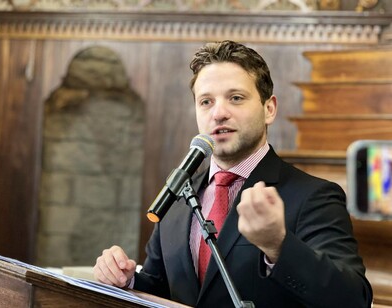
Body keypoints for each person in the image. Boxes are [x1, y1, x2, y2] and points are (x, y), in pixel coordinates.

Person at [93, 40, 372, 308]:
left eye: (236, 98)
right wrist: (127, 280)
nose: (219, 113)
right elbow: (161, 288)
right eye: (206, 102)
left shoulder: (314, 196)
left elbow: (352, 299)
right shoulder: (178, 196)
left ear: (269, 109)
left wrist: (279, 246)